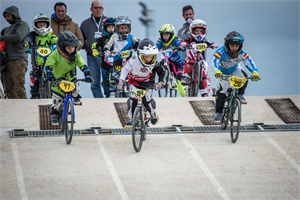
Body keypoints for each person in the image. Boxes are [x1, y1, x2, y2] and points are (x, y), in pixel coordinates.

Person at [211, 31, 260, 125]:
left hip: (234, 70)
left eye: (237, 46)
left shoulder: (242, 53)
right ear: (227, 45)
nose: (234, 48)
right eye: (232, 46)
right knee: (222, 92)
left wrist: (255, 72)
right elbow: (213, 61)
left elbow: (249, 62)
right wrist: (217, 71)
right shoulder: (221, 52)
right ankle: (218, 114)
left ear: (240, 46)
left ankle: (240, 95)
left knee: (244, 77)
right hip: (222, 73)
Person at [45, 31, 93, 125]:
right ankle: (55, 113)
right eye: (68, 48)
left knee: (75, 84)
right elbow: (48, 66)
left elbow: (82, 65)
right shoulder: (55, 54)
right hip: (57, 76)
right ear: (62, 48)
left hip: (69, 75)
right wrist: (50, 75)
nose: (71, 50)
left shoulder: (76, 55)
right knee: (57, 96)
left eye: (73, 47)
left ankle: (75, 96)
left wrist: (87, 75)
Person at [117, 38, 165, 129]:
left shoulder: (155, 63)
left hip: (148, 84)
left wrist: (161, 82)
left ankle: (153, 113)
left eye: (151, 57)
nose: (148, 59)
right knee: (132, 100)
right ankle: (131, 120)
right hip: (134, 83)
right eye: (145, 57)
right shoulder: (134, 59)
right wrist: (121, 81)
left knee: (147, 99)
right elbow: (125, 69)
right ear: (140, 55)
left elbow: (162, 72)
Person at [180, 19, 218, 97]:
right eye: (197, 31)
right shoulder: (190, 39)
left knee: (204, 74)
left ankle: (204, 92)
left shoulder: (204, 40)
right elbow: (184, 41)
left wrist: (212, 45)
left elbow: (209, 42)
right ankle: (186, 76)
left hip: (201, 60)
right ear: (192, 30)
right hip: (191, 59)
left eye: (201, 31)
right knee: (189, 62)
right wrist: (184, 44)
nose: (199, 33)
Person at [103, 16, 139, 97]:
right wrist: (106, 50)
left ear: (129, 28)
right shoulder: (114, 36)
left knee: (132, 73)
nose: (124, 30)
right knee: (114, 75)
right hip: (117, 59)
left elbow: (137, 43)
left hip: (128, 59)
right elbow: (108, 45)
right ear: (117, 28)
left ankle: (132, 89)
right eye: (121, 28)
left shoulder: (131, 37)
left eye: (125, 28)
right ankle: (112, 90)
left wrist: (137, 45)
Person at [24, 13, 57, 99]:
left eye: (44, 25)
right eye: (40, 25)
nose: (42, 27)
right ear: (36, 26)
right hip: (37, 60)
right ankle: (34, 94)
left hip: (49, 60)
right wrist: (27, 44)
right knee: (34, 76)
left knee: (53, 74)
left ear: (47, 25)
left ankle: (55, 93)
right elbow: (28, 39)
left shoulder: (50, 34)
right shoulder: (34, 34)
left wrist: (55, 45)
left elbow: (54, 39)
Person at [0, 6, 30, 99]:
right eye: (5, 16)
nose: (6, 18)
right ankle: (13, 110)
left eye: (8, 15)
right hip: (6, 61)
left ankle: (24, 110)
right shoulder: (6, 30)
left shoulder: (22, 25)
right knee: (9, 89)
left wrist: (2, 37)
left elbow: (18, 37)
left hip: (18, 59)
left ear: (14, 14)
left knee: (18, 87)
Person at [80, 0, 107, 98]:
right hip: (91, 56)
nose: (98, 10)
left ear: (103, 9)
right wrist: (86, 46)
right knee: (94, 83)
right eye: (96, 8)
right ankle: (101, 103)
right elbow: (81, 40)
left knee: (107, 82)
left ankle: (109, 101)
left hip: (106, 56)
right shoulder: (85, 23)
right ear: (91, 9)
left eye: (100, 8)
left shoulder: (108, 21)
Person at [156, 24, 186, 97]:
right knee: (158, 67)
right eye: (164, 35)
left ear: (172, 34)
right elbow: (156, 45)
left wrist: (181, 46)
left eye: (167, 35)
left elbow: (180, 43)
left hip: (176, 62)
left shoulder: (176, 39)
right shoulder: (160, 40)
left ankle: (180, 86)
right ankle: (161, 81)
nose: (165, 37)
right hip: (166, 59)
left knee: (179, 74)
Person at [91, 17, 115, 98]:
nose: (111, 29)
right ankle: (107, 95)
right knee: (106, 81)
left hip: (117, 64)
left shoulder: (118, 38)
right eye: (109, 27)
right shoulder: (102, 38)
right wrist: (94, 50)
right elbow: (94, 44)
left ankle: (123, 94)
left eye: (112, 27)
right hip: (105, 64)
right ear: (105, 28)